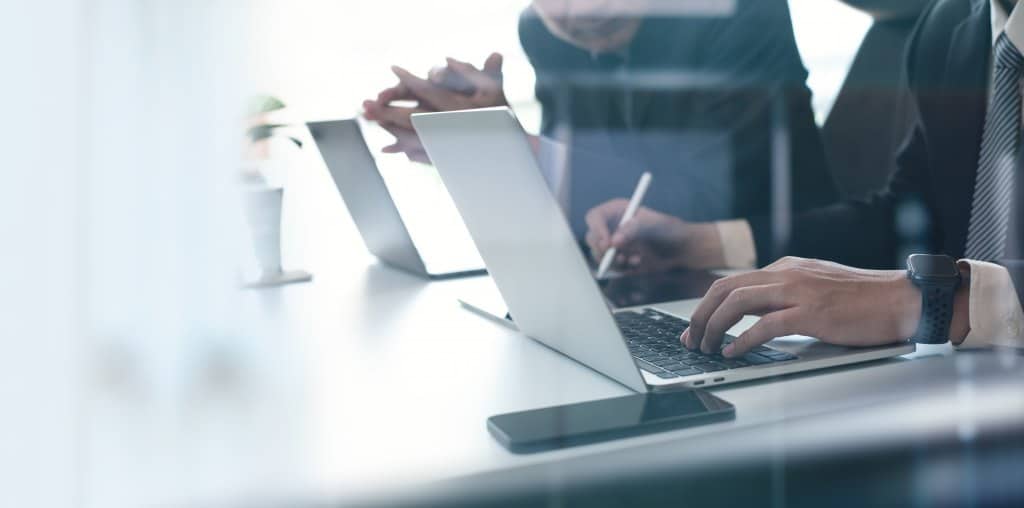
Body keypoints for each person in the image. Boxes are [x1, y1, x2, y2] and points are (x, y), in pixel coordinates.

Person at [586, 0, 1024, 356]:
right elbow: (903, 220)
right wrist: (698, 242)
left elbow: (924, 287)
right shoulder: (948, 27)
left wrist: (932, 301)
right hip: (954, 378)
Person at [363, 0, 838, 243]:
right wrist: (488, 134)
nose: (575, 13)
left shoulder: (736, 11)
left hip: (771, 269)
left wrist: (509, 147)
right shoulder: (543, 32)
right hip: (642, 283)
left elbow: (705, 204)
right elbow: (583, 197)